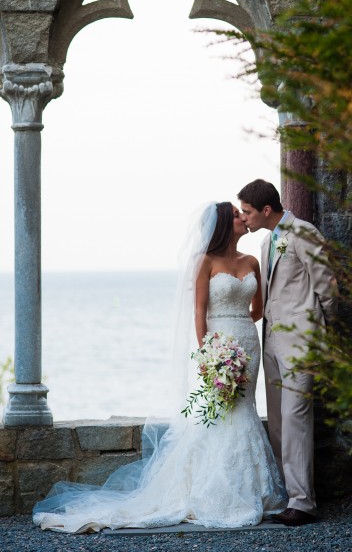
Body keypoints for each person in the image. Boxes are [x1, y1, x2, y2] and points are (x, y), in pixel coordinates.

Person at [32, 202, 286, 533]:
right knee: (224, 414)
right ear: (225, 224)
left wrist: (239, 326)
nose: (243, 218)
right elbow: (198, 313)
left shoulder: (251, 261)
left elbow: (258, 308)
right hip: (218, 350)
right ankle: (213, 490)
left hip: (248, 344)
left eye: (244, 213)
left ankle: (255, 490)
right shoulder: (205, 262)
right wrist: (211, 356)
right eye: (237, 215)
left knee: (244, 410)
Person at [238, 180, 338, 527]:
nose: (244, 217)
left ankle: (303, 503)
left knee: (296, 419)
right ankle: (289, 494)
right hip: (272, 345)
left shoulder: (304, 232)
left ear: (266, 209)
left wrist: (321, 332)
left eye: (247, 211)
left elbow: (326, 287)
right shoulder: (267, 241)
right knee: (279, 423)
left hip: (302, 341)